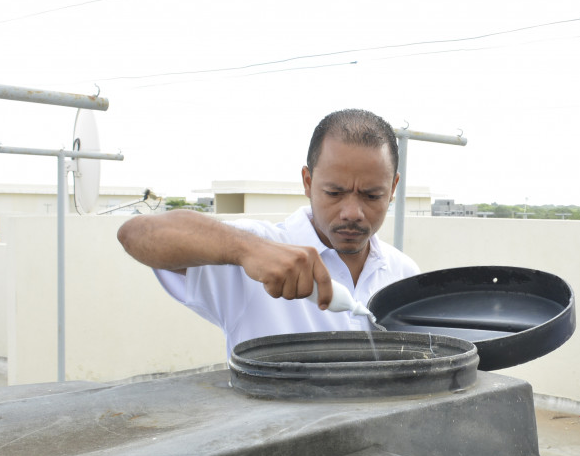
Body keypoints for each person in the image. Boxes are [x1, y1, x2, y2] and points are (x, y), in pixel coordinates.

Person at [117, 108, 419, 356]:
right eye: (334, 192)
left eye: (372, 195)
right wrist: (247, 250)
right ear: (307, 181)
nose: (352, 212)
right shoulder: (258, 250)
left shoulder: (403, 273)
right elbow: (136, 234)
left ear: (393, 188)